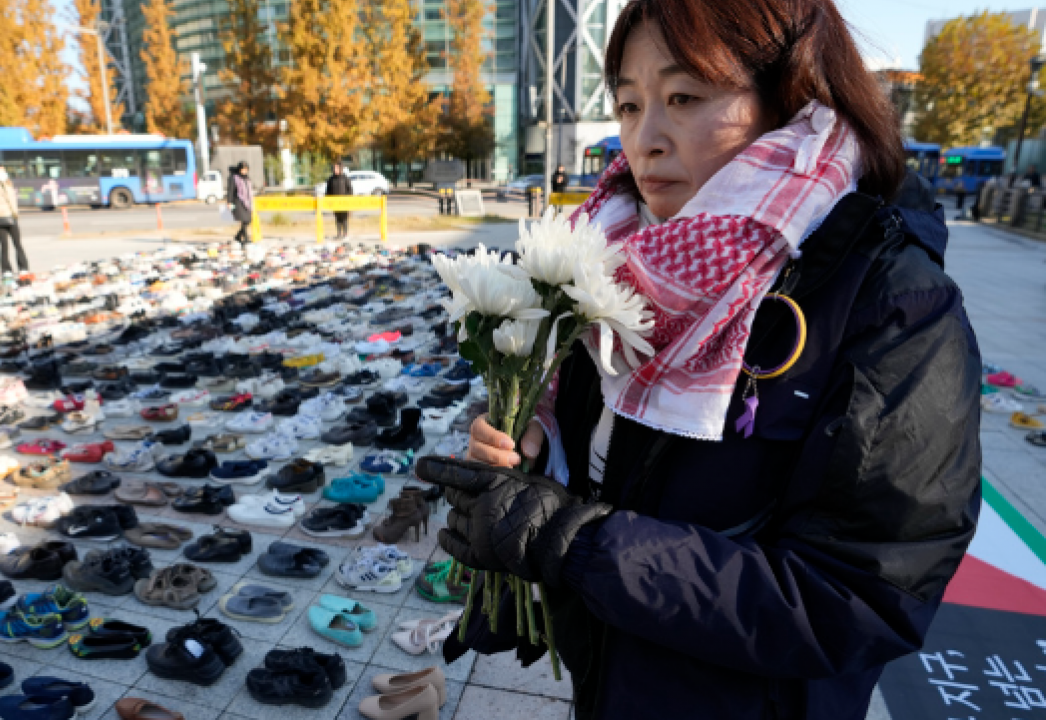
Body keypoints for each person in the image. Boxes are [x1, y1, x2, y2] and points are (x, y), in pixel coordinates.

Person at [418, 0, 981, 718]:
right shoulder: (621, 261)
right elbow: (616, 472)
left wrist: (573, 539)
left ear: (794, 98)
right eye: (627, 103)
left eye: (685, 97)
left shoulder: (895, 306)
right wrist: (531, 453)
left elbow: (860, 597)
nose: (643, 140)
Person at [325, 163, 353, 239]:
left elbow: (350, 190)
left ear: (341, 169)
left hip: (344, 203)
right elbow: (328, 192)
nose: (335, 170)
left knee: (344, 219)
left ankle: (345, 234)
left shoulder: (345, 178)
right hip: (334, 203)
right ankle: (338, 234)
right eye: (334, 168)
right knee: (338, 219)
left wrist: (348, 201)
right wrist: (329, 202)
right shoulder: (331, 179)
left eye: (336, 168)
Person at [227, 162, 253, 244]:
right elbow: (230, 190)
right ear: (239, 169)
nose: (244, 171)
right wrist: (229, 202)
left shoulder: (246, 178)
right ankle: (245, 238)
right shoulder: (234, 178)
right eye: (243, 169)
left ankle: (238, 236)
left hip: (246, 202)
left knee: (248, 220)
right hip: (237, 201)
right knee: (243, 219)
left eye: (246, 169)